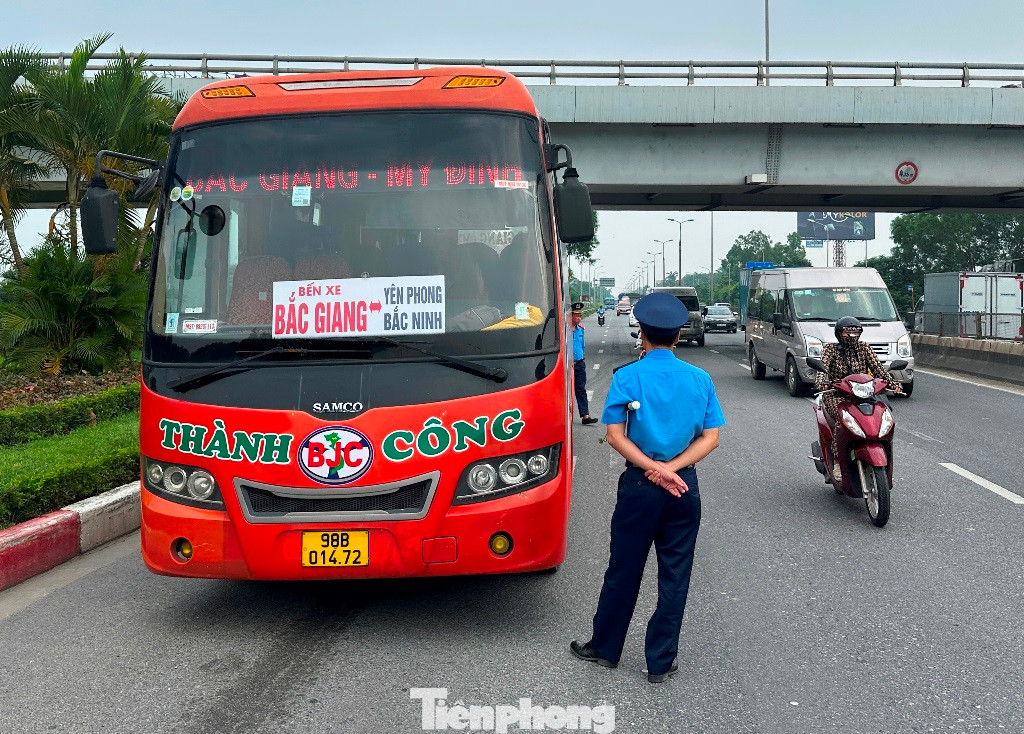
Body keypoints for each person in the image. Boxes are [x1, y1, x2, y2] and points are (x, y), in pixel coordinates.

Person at [570, 292, 725, 683]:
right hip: (683, 488)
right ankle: (660, 661)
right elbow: (711, 438)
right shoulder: (700, 379)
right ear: (677, 336)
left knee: (624, 569)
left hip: (640, 486)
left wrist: (654, 469)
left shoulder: (627, 377)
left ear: (642, 334)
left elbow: (614, 435)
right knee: (675, 574)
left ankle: (605, 649)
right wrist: (672, 469)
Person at [815, 316, 903, 483]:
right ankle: (838, 461)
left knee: (883, 414)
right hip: (836, 394)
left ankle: (882, 452)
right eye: (847, 331)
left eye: (855, 332)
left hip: (863, 394)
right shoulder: (830, 350)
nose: (851, 335)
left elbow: (878, 369)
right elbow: (823, 368)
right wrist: (822, 383)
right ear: (839, 333)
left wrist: (893, 383)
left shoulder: (864, 348)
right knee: (841, 421)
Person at [571, 301, 599, 425]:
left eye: (580, 316)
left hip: (579, 364)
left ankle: (585, 416)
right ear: (570, 316)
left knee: (580, 389)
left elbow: (582, 347)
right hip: (567, 366)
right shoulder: (564, 331)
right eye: (576, 316)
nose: (579, 318)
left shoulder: (580, 330)